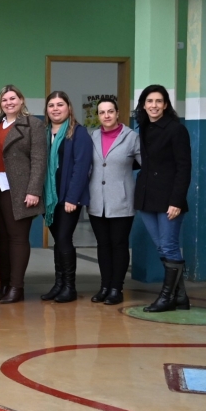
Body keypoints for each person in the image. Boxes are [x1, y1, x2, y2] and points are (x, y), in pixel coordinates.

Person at [134, 85, 193, 313]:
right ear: (144, 104)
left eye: (159, 101)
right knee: (161, 247)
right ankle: (181, 296)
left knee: (169, 247)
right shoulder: (144, 127)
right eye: (150, 101)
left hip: (169, 198)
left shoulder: (176, 130)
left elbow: (184, 167)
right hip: (147, 197)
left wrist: (177, 201)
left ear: (166, 105)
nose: (154, 105)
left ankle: (167, 297)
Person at [0, 85, 46, 304]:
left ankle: (16, 287)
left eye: (13, 98)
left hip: (20, 190)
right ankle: (4, 284)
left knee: (17, 239)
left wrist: (33, 190)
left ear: (22, 100)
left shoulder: (33, 124)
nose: (9, 102)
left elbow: (39, 159)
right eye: (4, 100)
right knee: (1, 240)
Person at [87, 97, 141, 306]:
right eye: (102, 112)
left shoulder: (131, 137)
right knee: (103, 245)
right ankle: (104, 286)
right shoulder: (92, 136)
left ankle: (116, 288)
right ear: (98, 116)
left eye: (110, 111)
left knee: (118, 245)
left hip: (121, 200)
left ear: (118, 113)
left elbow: (143, 162)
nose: (106, 116)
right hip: (96, 201)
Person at [41, 91, 92, 304]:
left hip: (68, 198)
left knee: (63, 239)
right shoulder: (43, 132)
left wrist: (72, 198)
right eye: (51, 105)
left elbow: (81, 167)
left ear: (69, 108)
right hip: (49, 198)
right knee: (57, 241)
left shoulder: (78, 133)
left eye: (60, 104)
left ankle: (69, 287)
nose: (55, 108)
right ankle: (59, 284)